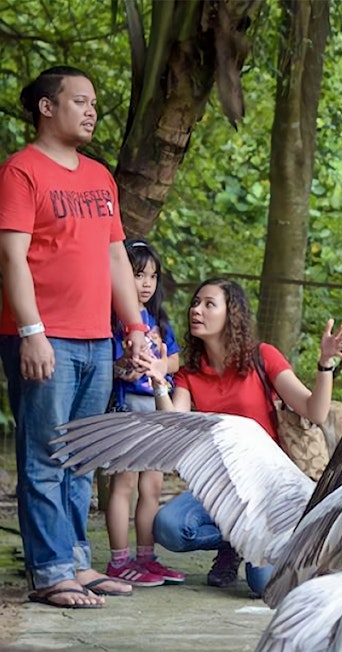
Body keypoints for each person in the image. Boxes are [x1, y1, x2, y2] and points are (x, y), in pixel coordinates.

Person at [0, 66, 151, 608]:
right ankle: (51, 570)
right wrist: (31, 333)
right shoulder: (21, 171)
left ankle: (78, 564)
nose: (90, 110)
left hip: (95, 339)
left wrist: (133, 328)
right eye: (79, 101)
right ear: (47, 107)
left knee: (80, 460)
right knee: (43, 457)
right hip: (46, 339)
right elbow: (11, 256)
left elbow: (116, 257)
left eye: (93, 103)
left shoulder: (99, 176)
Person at [144, 277, 342, 596]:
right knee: (169, 528)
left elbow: (315, 410)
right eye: (195, 303)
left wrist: (325, 364)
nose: (196, 310)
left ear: (232, 314)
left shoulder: (262, 357)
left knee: (265, 584)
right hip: (219, 485)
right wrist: (159, 382)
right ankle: (234, 542)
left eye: (209, 304)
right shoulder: (190, 372)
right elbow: (175, 426)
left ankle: (273, 546)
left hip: (268, 489)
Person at [104, 238, 186, 587]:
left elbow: (176, 359)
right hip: (126, 409)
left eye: (152, 276)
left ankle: (146, 557)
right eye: (138, 274)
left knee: (152, 485)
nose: (147, 283)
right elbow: (107, 365)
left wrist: (157, 363)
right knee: (123, 484)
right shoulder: (113, 320)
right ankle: (118, 561)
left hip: (156, 407)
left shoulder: (158, 321)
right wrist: (125, 365)